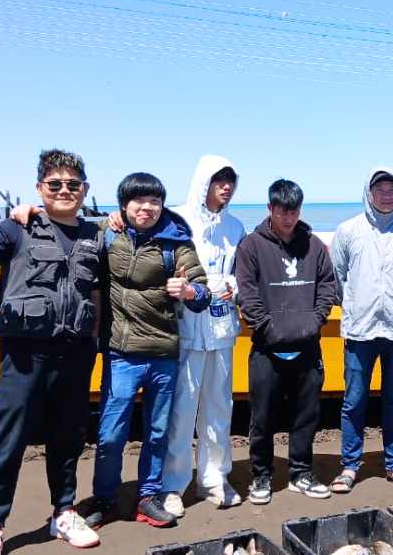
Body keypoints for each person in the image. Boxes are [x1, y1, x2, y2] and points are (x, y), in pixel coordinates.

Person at [0, 149, 103, 554]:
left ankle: (64, 512)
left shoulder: (95, 237)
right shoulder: (15, 228)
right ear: (40, 188)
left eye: (72, 185)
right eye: (54, 184)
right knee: (9, 439)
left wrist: (93, 343)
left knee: (68, 438)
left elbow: (95, 294)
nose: (64, 191)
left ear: (85, 190)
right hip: (23, 354)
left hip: (75, 355)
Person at [77, 172, 211, 529]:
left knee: (156, 432)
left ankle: (147, 498)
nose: (147, 207)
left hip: (164, 354)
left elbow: (203, 293)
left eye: (154, 201)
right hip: (121, 354)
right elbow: (72, 228)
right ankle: (104, 499)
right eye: (139, 200)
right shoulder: (109, 233)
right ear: (124, 204)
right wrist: (25, 212)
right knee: (110, 434)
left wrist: (187, 291)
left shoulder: (176, 240)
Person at [235, 179, 339, 504]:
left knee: (306, 415)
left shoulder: (314, 245)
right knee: (262, 417)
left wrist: (314, 322)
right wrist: (270, 329)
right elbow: (247, 296)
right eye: (282, 210)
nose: (288, 217)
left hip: (308, 347)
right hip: (267, 348)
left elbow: (327, 288)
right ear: (270, 208)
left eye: (293, 210)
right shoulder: (251, 246)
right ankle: (261, 476)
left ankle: (301, 472)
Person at [327, 168, 393, 494]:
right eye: (380, 189)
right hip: (360, 331)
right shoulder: (347, 231)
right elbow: (336, 278)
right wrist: (358, 305)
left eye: (392, 189)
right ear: (369, 194)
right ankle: (349, 466)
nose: (386, 195)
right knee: (353, 400)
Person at [160, 156, 248, 515]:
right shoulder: (176, 218)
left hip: (223, 327)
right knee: (182, 408)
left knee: (219, 407)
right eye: (218, 180)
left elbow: (245, 273)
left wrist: (233, 286)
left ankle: (214, 478)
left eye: (230, 181)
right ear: (203, 182)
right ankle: (172, 485)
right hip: (186, 328)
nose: (224, 187)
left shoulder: (237, 226)